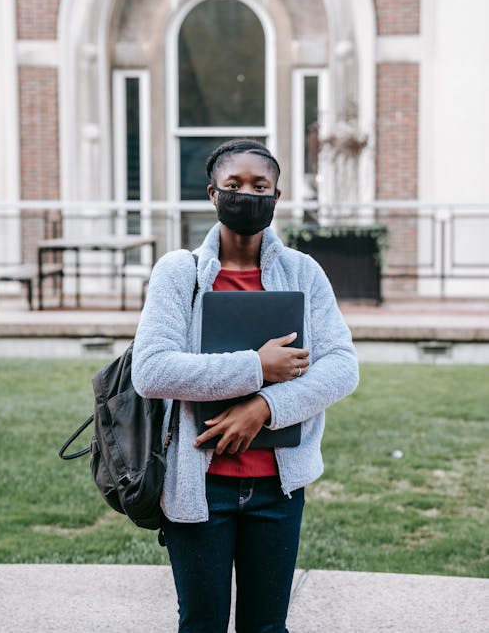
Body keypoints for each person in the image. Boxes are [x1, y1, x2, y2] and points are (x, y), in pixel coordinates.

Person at [132, 139, 359, 633]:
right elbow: (151, 371)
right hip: (199, 485)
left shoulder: (303, 271)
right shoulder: (180, 273)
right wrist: (256, 366)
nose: (247, 195)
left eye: (261, 186)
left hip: (278, 490)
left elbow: (342, 365)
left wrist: (264, 406)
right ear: (213, 194)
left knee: (266, 627)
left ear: (277, 197)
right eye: (233, 186)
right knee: (202, 624)